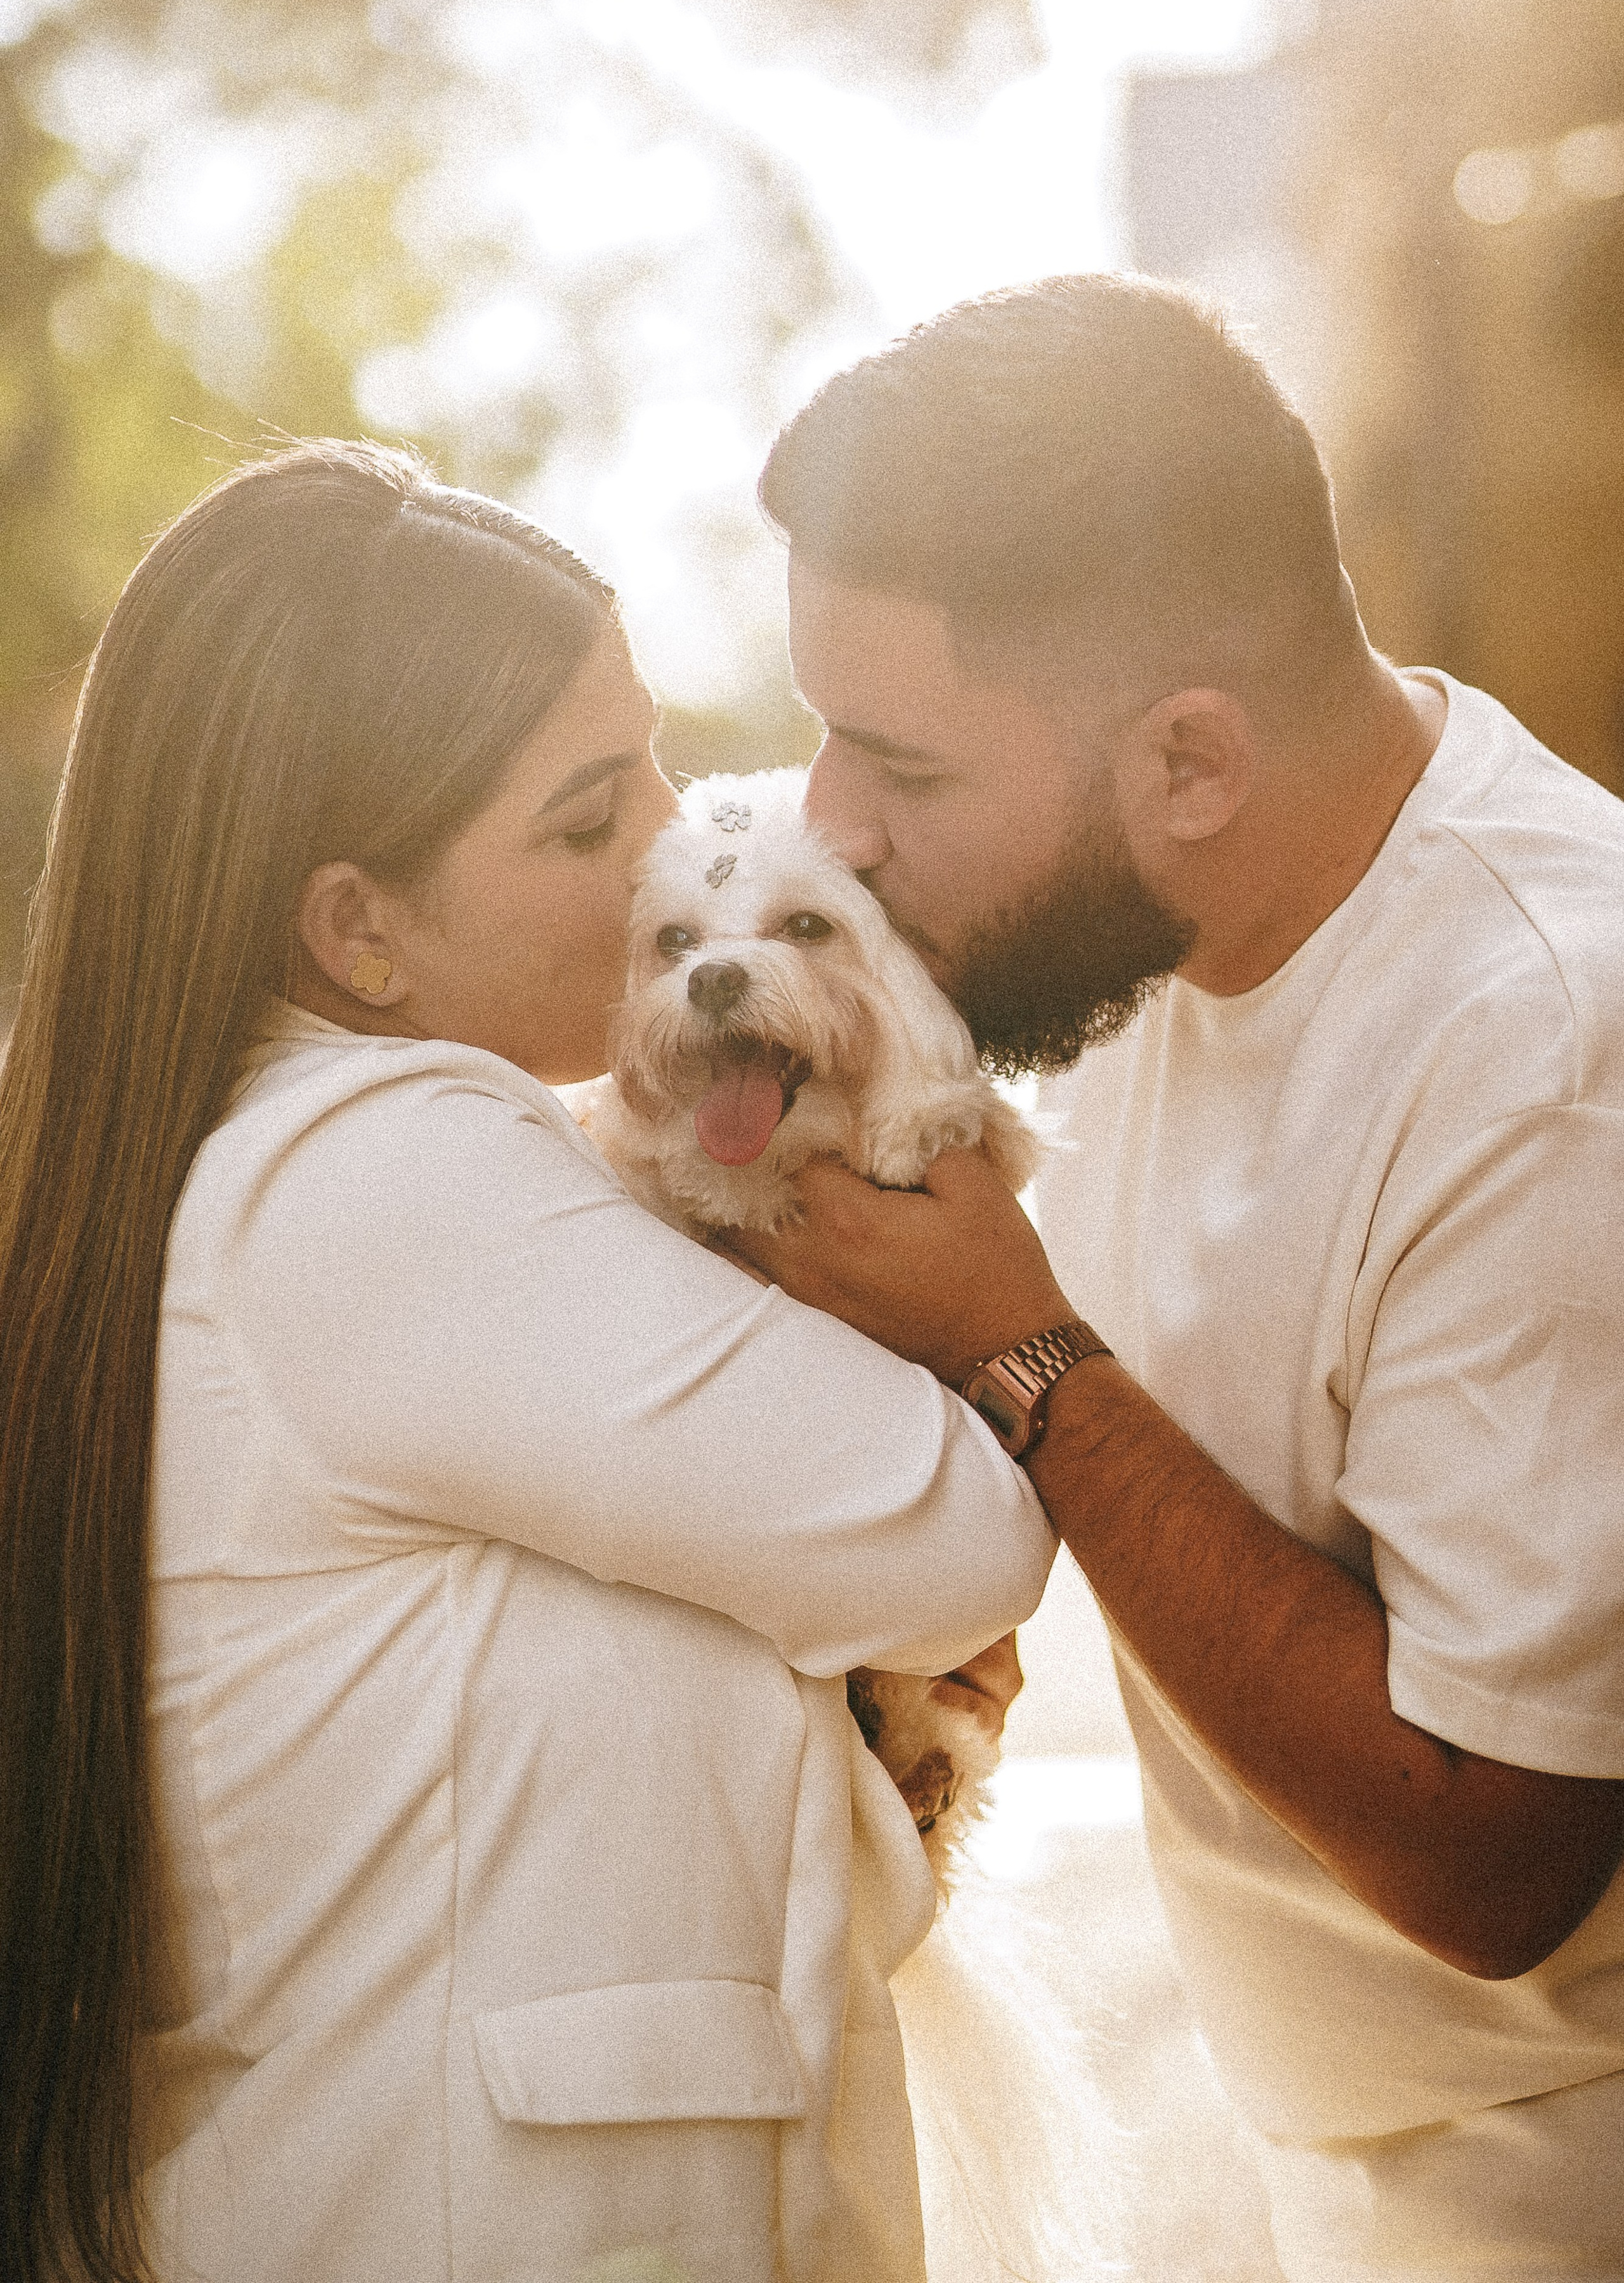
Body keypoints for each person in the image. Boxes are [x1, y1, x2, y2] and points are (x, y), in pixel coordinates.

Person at [0, 438, 1054, 2283]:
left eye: (653, 755)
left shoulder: (253, 1163)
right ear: (359, 931)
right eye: (588, 820)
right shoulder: (386, 1171)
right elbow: (956, 1534)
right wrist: (1006, 1323)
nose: (672, 843)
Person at [732, 273, 1624, 2279]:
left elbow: (1497, 1853)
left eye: (903, 764)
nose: (828, 826)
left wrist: (1021, 1353)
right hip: (1336, 2159)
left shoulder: (1556, 1041)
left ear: (1191, 763)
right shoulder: (1115, 954)